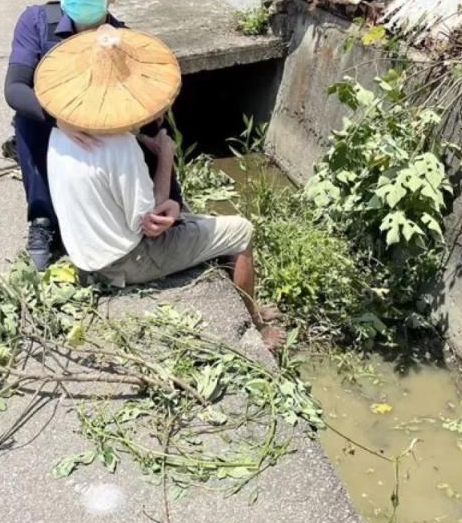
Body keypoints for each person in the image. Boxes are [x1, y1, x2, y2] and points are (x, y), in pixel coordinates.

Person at [37, 25, 286, 350]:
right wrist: (165, 157)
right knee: (241, 231)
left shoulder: (63, 130)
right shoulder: (121, 149)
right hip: (123, 261)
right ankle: (255, 326)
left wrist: (143, 143)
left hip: (85, 252)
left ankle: (242, 298)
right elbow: (152, 225)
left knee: (201, 221)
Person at [4, 0, 182, 270]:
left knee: (141, 120)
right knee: (27, 119)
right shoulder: (37, 23)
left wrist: (171, 198)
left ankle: (129, 213)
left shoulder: (124, 42)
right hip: (54, 125)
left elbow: (151, 123)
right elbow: (14, 88)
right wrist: (61, 120)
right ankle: (42, 219)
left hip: (103, 127)